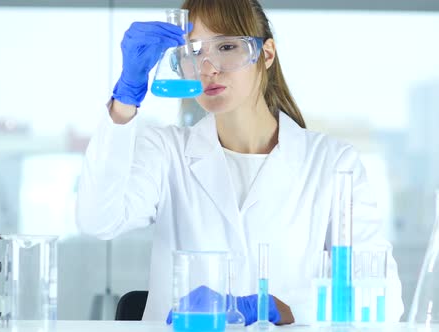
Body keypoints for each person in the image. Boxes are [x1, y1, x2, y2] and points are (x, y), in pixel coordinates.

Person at [76, 0, 404, 325]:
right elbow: (98, 219)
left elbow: (383, 299)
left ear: (267, 53)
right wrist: (125, 99)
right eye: (193, 52)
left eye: (228, 46)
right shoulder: (167, 151)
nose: (208, 68)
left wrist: (279, 309)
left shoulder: (332, 163)